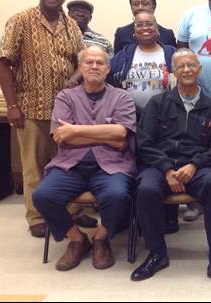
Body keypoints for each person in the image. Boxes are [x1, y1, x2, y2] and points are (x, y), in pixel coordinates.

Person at [131, 48, 211, 291]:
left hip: (197, 167)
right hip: (160, 167)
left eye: (191, 65)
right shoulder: (158, 103)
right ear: (173, 71)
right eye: (181, 66)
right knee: (146, 189)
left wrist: (194, 165)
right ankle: (157, 253)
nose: (186, 70)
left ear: (199, 69)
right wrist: (165, 169)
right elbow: (144, 142)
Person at [0, 0, 85, 238]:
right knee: (33, 166)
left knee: (66, 164)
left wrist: (74, 78)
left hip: (65, 113)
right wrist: (12, 106)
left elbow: (82, 62)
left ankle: (68, 212)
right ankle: (36, 217)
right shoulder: (21, 20)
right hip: (30, 107)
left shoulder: (71, 25)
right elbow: (3, 62)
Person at [32, 46, 135, 271]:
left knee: (118, 195)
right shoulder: (65, 97)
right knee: (42, 195)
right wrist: (105, 134)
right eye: (89, 62)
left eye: (100, 62)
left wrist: (76, 131)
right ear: (80, 67)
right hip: (70, 164)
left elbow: (121, 136)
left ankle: (101, 238)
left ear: (108, 69)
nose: (95, 66)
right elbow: (61, 137)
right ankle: (77, 239)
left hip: (111, 164)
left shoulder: (122, 97)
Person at [107, 10, 181, 232]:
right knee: (135, 166)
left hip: (165, 120)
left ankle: (169, 217)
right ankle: (136, 216)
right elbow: (109, 80)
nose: (145, 28)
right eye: (139, 25)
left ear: (157, 29)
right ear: (134, 31)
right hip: (132, 119)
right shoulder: (123, 55)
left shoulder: (170, 52)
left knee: (166, 162)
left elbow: (183, 79)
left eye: (149, 24)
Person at [113, 0, 177, 54]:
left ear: (154, 7)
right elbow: (118, 62)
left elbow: (175, 61)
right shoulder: (122, 33)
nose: (140, 7)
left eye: (145, 4)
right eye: (136, 4)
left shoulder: (167, 34)